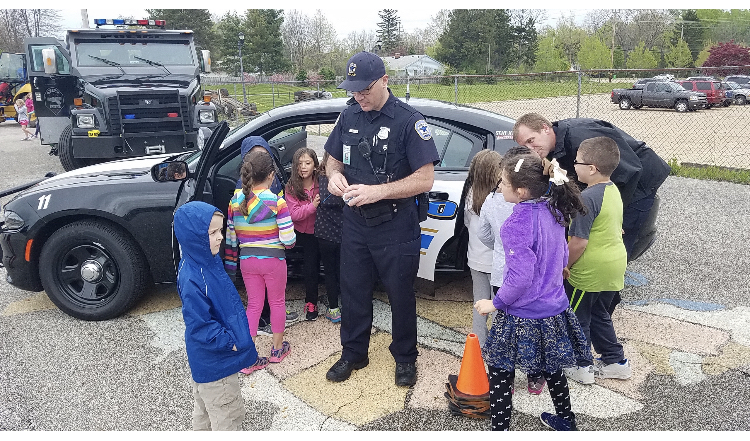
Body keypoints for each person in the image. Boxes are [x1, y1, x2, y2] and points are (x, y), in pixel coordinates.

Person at [323, 51, 440, 387]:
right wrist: (333, 177)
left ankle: (405, 358)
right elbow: (331, 160)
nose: (358, 96)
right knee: (354, 290)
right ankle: (353, 353)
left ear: (385, 81)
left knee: (400, 294)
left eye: (365, 89)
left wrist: (379, 191)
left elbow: (424, 179)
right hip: (356, 224)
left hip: (396, 225)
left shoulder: (408, 120)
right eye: (354, 90)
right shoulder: (348, 116)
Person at [474, 147, 590, 431]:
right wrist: (559, 270)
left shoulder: (516, 222)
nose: (499, 186)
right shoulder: (554, 209)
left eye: (503, 183)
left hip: (521, 314)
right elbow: (562, 252)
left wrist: (495, 303)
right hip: (554, 309)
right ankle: (566, 421)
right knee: (553, 370)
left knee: (501, 371)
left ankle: (500, 430)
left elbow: (521, 276)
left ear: (521, 191)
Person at [512, 113, 671, 314]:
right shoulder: (552, 149)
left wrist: (615, 217)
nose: (530, 149)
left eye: (531, 140)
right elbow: (571, 181)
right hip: (609, 186)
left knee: (615, 243)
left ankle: (603, 308)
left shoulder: (581, 137)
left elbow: (630, 170)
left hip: (637, 184)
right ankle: (591, 303)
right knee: (591, 239)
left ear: (545, 128)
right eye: (524, 146)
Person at [173, 201, 258, 431]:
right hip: (216, 362)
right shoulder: (194, 276)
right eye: (212, 233)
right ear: (193, 237)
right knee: (228, 415)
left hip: (205, 363)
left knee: (204, 413)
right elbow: (199, 325)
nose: (220, 237)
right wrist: (230, 343)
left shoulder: (204, 260)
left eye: (220, 230)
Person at [473, 151, 546, 395]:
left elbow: (483, 233)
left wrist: (499, 244)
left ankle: (507, 380)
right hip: (536, 282)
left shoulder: (492, 201)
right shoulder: (546, 206)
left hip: (502, 275)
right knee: (533, 329)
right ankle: (535, 376)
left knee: (505, 330)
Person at [562, 137, 632, 384]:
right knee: (600, 314)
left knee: (577, 316)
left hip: (589, 271)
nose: (574, 165)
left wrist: (565, 266)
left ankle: (582, 367)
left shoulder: (587, 199)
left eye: (577, 162)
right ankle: (615, 361)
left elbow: (579, 242)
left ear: (591, 168)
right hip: (613, 266)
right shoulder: (612, 191)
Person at [226, 149, 296, 373]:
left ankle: (248, 357)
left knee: (254, 305)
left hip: (247, 261)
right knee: (276, 303)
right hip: (273, 261)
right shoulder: (278, 202)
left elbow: (231, 236)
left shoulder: (234, 202)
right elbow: (289, 240)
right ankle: (277, 350)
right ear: (271, 175)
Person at [284, 147, 322, 321]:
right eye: (300, 164)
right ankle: (307, 301)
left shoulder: (322, 183)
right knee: (307, 267)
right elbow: (293, 214)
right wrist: (312, 206)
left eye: (308, 163)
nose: (304, 167)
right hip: (301, 231)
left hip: (320, 230)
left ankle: (321, 301)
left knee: (320, 267)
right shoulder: (292, 187)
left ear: (315, 165)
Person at [315, 151, 344, 323]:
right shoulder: (345, 179)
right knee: (343, 271)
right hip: (343, 233)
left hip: (323, 234)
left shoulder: (318, 178)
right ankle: (347, 306)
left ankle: (333, 308)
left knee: (329, 272)